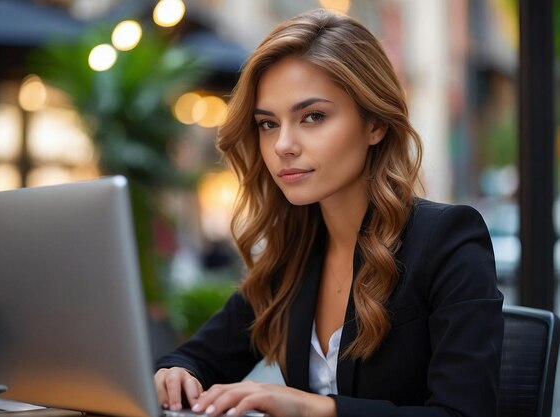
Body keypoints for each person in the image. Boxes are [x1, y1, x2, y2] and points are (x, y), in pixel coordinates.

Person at [155, 8, 504, 417]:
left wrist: (318, 409)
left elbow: (464, 413)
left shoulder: (447, 238)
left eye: (313, 117)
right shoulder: (293, 256)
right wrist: (176, 372)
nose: (283, 144)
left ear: (374, 124)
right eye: (268, 124)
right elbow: (193, 358)